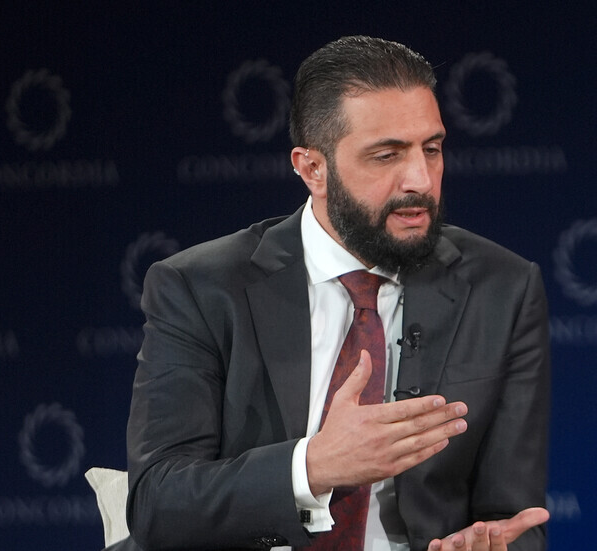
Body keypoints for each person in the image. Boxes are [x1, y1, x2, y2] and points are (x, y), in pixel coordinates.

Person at [123, 35, 550, 551]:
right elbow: (158, 502)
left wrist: (489, 545)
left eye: (432, 149)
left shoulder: (503, 289)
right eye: (386, 155)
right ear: (312, 169)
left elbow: (515, 517)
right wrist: (313, 467)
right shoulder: (201, 288)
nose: (420, 179)